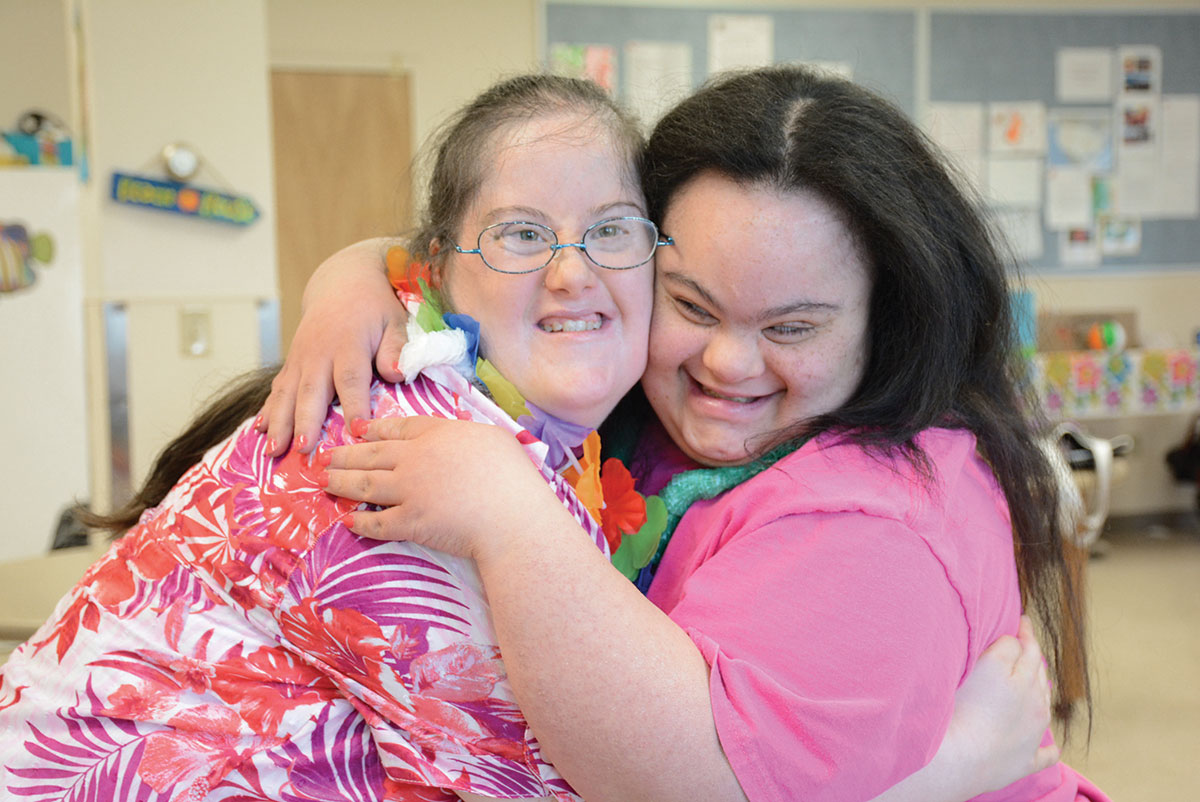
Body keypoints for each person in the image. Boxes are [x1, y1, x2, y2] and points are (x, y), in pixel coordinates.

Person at [0, 74, 1050, 802]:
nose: (730, 363)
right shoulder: (426, 468)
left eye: (793, 326)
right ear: (442, 270)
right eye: (695, 300)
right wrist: (949, 767)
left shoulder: (867, 507)